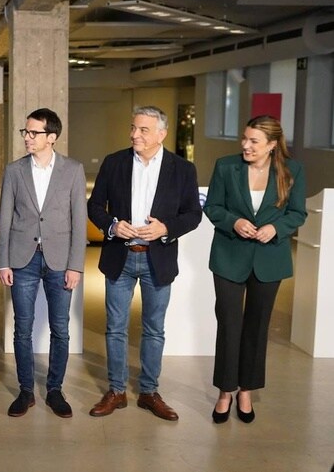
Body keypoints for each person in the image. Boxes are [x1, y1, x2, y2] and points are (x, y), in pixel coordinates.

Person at [87, 105, 201, 421]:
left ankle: (149, 392)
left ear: (161, 134)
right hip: (120, 259)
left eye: (143, 130)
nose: (134, 134)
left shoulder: (182, 169)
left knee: (154, 330)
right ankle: (116, 391)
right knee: (115, 328)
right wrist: (112, 225)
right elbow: (95, 206)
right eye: (133, 128)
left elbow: (193, 214)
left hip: (158, 260)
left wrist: (166, 228)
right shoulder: (114, 163)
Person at [204, 116, 306, 424]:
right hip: (228, 257)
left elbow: (297, 213)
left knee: (258, 327)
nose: (246, 145)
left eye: (254, 141)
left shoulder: (293, 171)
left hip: (269, 260)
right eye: (245, 139)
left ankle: (246, 391)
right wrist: (233, 222)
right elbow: (213, 207)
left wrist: (276, 228)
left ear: (272, 145)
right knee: (229, 324)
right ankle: (225, 392)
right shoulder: (225, 166)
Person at [0, 108, 87, 418]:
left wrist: (76, 266)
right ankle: (25, 391)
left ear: (52, 137)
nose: (27, 137)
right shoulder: (14, 170)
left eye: (33, 133)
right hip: (22, 260)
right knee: (22, 328)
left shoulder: (73, 170)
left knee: (60, 329)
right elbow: (5, 220)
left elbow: (79, 220)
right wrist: (2, 262)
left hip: (61, 260)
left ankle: (54, 390)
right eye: (25, 132)